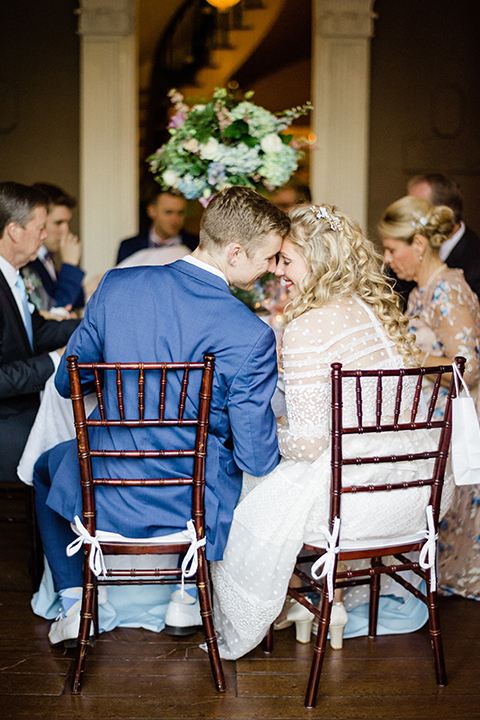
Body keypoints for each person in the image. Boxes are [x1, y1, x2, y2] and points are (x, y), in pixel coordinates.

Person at [32, 186, 290, 646]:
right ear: (235, 252)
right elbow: (255, 456)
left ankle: (75, 605)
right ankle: (186, 595)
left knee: (45, 468)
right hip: (189, 498)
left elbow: (67, 382)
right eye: (269, 258)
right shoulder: (251, 333)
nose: (271, 268)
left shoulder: (117, 286)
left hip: (105, 482)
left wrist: (122, 384)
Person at [210, 204, 452, 660]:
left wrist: (267, 429)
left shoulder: (306, 325)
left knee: (246, 479)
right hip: (414, 494)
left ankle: (298, 601)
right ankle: (323, 602)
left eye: (287, 260)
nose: (278, 272)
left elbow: (310, 443)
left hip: (352, 503)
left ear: (317, 260)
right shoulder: (374, 311)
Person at [378, 195, 480, 602]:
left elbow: (468, 366)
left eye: (391, 249)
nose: (388, 260)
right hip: (426, 419)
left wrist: (411, 357)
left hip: (449, 424)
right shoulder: (423, 290)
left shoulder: (448, 292)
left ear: (419, 244)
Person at [0, 182, 80, 482]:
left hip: (22, 408)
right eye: (40, 227)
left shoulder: (12, 276)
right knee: (71, 458)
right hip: (7, 419)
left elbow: (37, 331)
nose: (45, 236)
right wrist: (57, 361)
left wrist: (94, 325)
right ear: (14, 231)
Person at [407, 173, 480, 300]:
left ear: (443, 212)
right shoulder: (409, 248)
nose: (408, 216)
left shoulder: (475, 262)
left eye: (416, 208)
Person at [24, 183, 84, 312]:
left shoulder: (48, 257)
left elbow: (67, 299)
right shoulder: (27, 260)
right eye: (58, 223)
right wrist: (70, 265)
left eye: (67, 222)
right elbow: (57, 309)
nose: (65, 230)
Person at [116, 189, 198, 265]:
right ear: (151, 211)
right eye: (168, 212)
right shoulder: (129, 246)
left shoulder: (196, 245)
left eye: (180, 213)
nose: (175, 220)